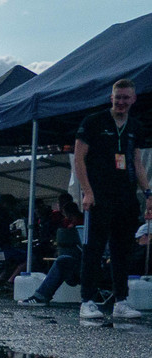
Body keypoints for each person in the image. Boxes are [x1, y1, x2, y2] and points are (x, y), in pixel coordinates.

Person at [74, 77, 152, 322]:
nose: (121, 102)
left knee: (122, 250)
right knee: (93, 248)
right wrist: (87, 191)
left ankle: (121, 301)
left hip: (125, 197)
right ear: (111, 98)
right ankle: (87, 301)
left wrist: (148, 193)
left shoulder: (135, 127)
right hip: (99, 196)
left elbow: (137, 163)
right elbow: (78, 158)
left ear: (133, 99)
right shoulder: (93, 122)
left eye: (126, 98)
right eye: (118, 98)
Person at [22, 201, 83, 305]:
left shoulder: (79, 222)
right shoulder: (69, 222)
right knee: (62, 261)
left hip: (91, 265)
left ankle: (41, 296)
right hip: (90, 262)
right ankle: (41, 295)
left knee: (62, 261)